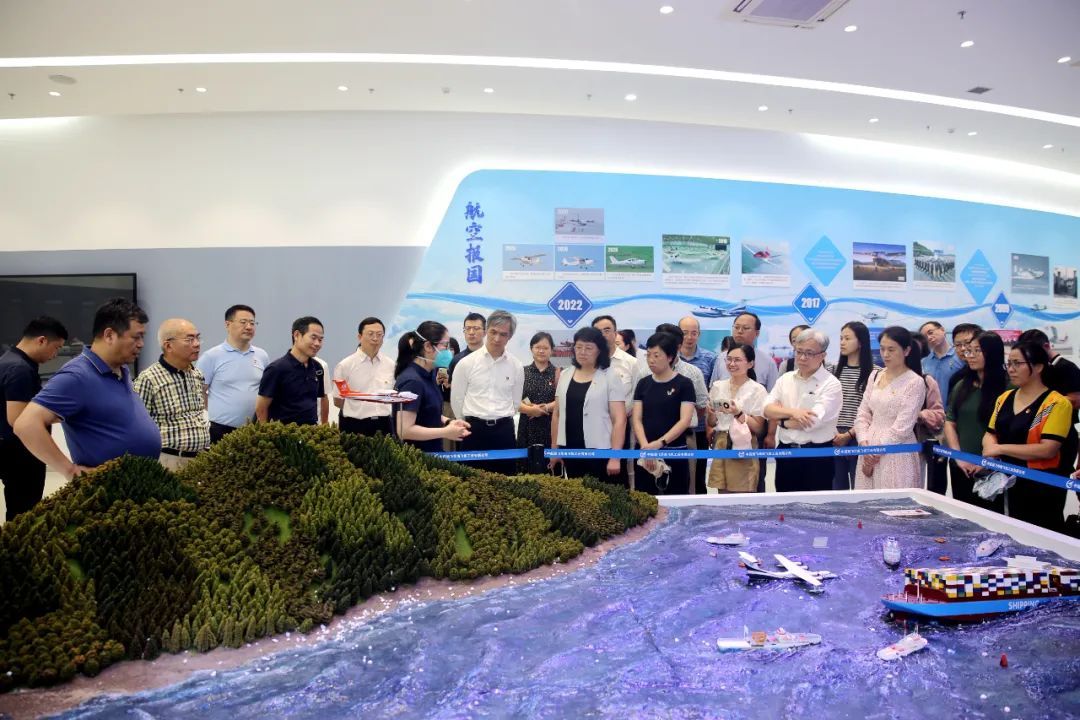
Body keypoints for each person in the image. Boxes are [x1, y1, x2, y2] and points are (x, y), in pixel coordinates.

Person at [14, 298, 161, 480]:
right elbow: (26, 425)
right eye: (136, 337)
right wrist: (70, 470)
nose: (141, 344)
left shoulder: (121, 369)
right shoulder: (77, 375)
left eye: (142, 337)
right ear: (109, 335)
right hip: (106, 488)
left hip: (138, 483)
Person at [985, 341, 1073, 532]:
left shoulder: (1056, 403)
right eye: (1009, 363)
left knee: (1039, 536)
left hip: (1040, 486)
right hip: (1004, 481)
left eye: (1017, 363)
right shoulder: (1004, 398)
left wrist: (999, 448)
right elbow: (990, 434)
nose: (1011, 369)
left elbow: (1048, 449)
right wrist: (990, 447)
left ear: (1038, 367)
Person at [0, 317, 68, 520]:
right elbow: (19, 420)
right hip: (20, 454)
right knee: (24, 515)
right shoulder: (19, 369)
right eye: (56, 348)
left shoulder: (8, 360)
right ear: (41, 340)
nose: (55, 355)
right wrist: (62, 415)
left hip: (10, 449)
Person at [764, 329, 843, 492]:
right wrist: (794, 413)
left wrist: (780, 421)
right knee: (785, 504)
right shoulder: (785, 379)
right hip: (786, 453)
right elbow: (766, 409)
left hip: (817, 455)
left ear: (822, 355)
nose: (802, 357)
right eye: (799, 351)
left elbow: (811, 422)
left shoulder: (831, 384)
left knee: (816, 506)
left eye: (809, 353)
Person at [851, 327, 927, 490]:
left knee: (893, 500)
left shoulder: (915, 382)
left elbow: (903, 427)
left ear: (906, 351)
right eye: (882, 349)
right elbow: (863, 413)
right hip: (868, 446)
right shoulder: (875, 375)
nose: (885, 354)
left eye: (891, 350)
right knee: (866, 500)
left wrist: (876, 450)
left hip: (896, 450)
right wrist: (863, 442)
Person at [450, 310, 525, 476]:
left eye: (503, 334)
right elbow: (457, 399)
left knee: (505, 482)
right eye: (493, 332)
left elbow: (515, 402)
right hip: (473, 430)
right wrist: (467, 422)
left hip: (504, 431)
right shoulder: (466, 363)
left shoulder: (516, 366)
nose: (497, 339)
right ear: (486, 330)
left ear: (510, 336)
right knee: (470, 480)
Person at [550, 327, 626, 483]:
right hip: (570, 449)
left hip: (601, 451)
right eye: (578, 347)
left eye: (589, 348)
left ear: (599, 350)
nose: (582, 352)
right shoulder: (565, 374)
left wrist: (615, 456)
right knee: (577, 493)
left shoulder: (611, 376)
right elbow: (557, 414)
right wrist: (554, 449)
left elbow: (620, 419)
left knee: (601, 493)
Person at [133, 318, 210, 470]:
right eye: (189, 339)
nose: (197, 344)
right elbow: (138, 426)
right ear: (168, 346)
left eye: (197, 338)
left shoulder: (196, 374)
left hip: (200, 459)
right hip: (169, 460)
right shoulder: (148, 378)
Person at [944, 332, 1007, 513]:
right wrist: (958, 457)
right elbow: (950, 421)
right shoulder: (962, 385)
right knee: (963, 517)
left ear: (992, 353)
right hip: (962, 465)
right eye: (968, 351)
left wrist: (988, 461)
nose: (970, 356)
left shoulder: (1008, 387)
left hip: (995, 468)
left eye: (977, 351)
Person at [632, 332, 696, 495]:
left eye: (656, 355)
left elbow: (685, 420)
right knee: (644, 499)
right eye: (648, 355)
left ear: (669, 357)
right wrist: (646, 447)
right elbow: (637, 419)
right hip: (644, 452)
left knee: (676, 499)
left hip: (674, 450)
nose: (651, 360)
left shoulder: (684, 384)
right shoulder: (643, 383)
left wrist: (659, 443)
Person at [197, 304, 270, 444]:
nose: (249, 327)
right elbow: (199, 391)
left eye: (252, 323)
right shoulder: (211, 356)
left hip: (253, 430)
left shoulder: (262, 355)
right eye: (243, 322)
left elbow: (265, 391)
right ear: (228, 324)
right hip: (219, 430)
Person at [394, 321, 471, 452]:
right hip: (417, 457)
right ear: (428, 346)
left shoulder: (430, 374)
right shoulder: (413, 381)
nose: (448, 352)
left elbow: (427, 412)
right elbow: (404, 430)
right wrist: (445, 432)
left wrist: (449, 422)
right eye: (445, 345)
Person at [707, 344, 768, 493]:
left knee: (742, 494)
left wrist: (739, 413)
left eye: (737, 360)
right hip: (721, 442)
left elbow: (759, 428)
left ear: (750, 364)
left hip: (744, 443)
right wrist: (711, 412)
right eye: (729, 359)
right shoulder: (718, 386)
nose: (732, 364)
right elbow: (711, 423)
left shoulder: (757, 390)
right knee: (722, 492)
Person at [256, 317, 326, 426]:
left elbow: (320, 399)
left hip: (310, 431)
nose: (317, 343)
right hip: (283, 432)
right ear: (296, 335)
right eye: (313, 338)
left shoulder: (318, 368)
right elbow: (261, 407)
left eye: (320, 340)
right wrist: (266, 432)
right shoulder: (276, 369)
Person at [591, 315, 635, 486]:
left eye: (607, 330)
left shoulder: (631, 363)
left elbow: (637, 397)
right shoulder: (587, 362)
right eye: (598, 331)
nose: (603, 334)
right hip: (592, 428)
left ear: (615, 333)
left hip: (621, 426)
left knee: (618, 480)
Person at [832, 321, 876, 490]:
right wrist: (836, 433)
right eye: (841, 338)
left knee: (860, 487)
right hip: (834, 437)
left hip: (861, 437)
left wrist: (849, 434)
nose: (842, 342)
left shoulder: (875, 373)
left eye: (847, 338)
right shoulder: (832, 371)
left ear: (861, 342)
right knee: (837, 488)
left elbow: (873, 412)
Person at [334, 317, 395, 437]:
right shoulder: (345, 365)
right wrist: (357, 409)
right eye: (370, 334)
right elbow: (338, 400)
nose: (375, 338)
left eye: (379, 334)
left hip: (384, 424)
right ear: (359, 337)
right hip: (354, 425)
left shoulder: (391, 365)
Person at [679, 316, 717, 490]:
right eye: (685, 333)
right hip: (673, 429)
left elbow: (711, 393)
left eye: (694, 333)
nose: (689, 337)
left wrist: (707, 425)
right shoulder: (670, 358)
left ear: (699, 335)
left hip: (700, 428)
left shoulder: (710, 358)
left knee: (698, 476)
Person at [518, 331, 559, 459]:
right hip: (527, 425)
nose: (541, 351)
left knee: (549, 464)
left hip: (551, 425)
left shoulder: (558, 373)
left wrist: (544, 408)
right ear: (531, 349)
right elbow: (514, 398)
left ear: (551, 350)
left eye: (545, 348)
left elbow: (563, 400)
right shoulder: (522, 371)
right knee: (526, 463)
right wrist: (531, 408)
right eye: (537, 347)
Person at [919, 321, 965, 407]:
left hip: (957, 410)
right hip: (933, 412)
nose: (929, 338)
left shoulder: (961, 356)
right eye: (925, 337)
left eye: (930, 332)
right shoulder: (924, 362)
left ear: (942, 330)